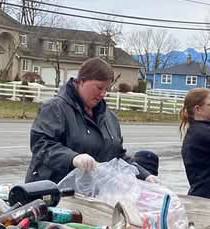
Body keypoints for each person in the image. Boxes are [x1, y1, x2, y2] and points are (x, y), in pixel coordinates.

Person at [27, 57, 159, 184]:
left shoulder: (109, 118)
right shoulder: (54, 109)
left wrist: (144, 175)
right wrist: (72, 158)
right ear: (82, 81)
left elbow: (118, 156)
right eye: (99, 88)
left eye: (106, 89)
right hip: (52, 191)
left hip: (88, 194)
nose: (103, 94)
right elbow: (42, 145)